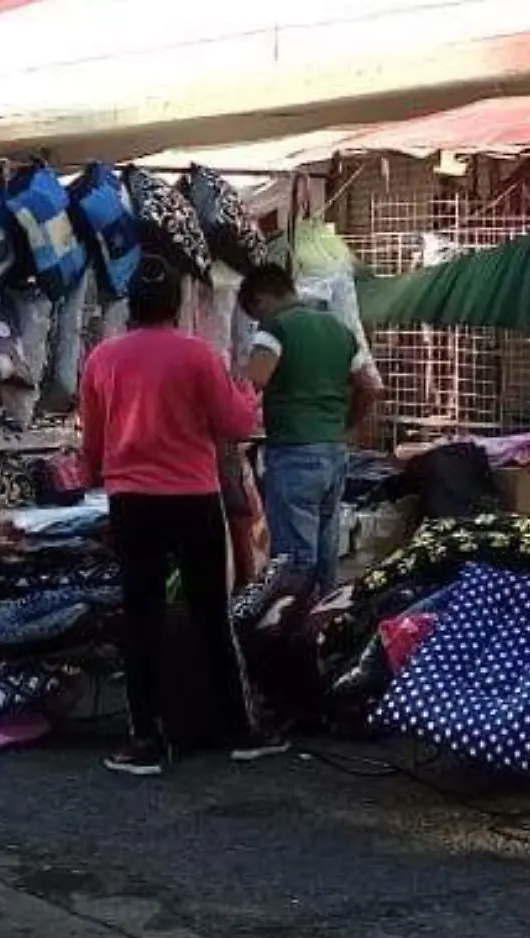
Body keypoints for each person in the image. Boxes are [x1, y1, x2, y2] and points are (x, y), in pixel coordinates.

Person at [79, 256, 280, 776]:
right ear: (177, 304)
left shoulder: (102, 359)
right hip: (192, 497)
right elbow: (235, 423)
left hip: (131, 500)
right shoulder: (199, 355)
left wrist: (96, 484)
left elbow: (93, 442)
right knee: (211, 612)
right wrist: (244, 389)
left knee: (140, 616)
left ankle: (145, 737)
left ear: (130, 305)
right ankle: (240, 730)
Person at [239, 264, 384, 594]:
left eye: (255, 314)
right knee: (324, 552)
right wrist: (345, 423)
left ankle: (290, 629)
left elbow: (254, 381)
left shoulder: (276, 328)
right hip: (334, 451)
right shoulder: (338, 329)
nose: (257, 323)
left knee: (294, 559)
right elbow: (370, 387)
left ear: (262, 299)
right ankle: (320, 627)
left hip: (293, 452)